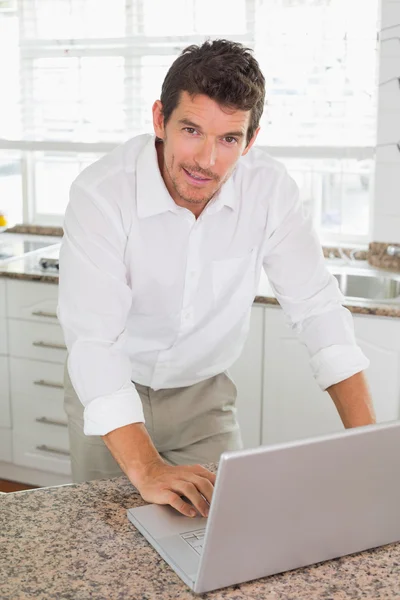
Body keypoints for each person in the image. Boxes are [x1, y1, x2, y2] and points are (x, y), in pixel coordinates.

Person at [58, 39, 376, 520]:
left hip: (204, 399)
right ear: (159, 119)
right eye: (191, 129)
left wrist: (369, 445)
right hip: (110, 394)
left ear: (250, 140)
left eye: (228, 139)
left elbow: (316, 307)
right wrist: (146, 468)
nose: (206, 160)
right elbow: (94, 342)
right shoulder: (102, 193)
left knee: (224, 537)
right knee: (107, 546)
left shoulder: (269, 190)